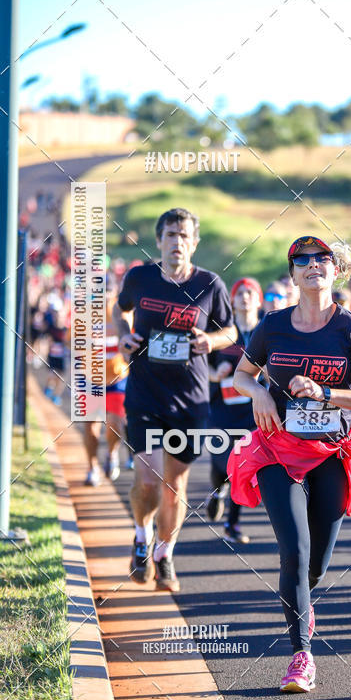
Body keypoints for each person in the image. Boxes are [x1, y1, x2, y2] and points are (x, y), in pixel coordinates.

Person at [228, 236, 351, 692]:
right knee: (293, 552)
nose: (312, 265)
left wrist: (326, 393)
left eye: (321, 259)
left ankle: (304, 600)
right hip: (278, 450)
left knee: (315, 563)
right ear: (293, 273)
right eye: (302, 260)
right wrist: (258, 391)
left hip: (332, 454)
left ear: (334, 270)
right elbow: (242, 373)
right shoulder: (273, 325)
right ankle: (301, 655)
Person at [113, 208, 236, 592]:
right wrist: (123, 335)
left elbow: (230, 331)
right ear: (159, 240)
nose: (177, 242)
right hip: (146, 394)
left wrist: (209, 341)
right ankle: (140, 534)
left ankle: (164, 555)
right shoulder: (141, 278)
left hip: (189, 401)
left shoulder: (210, 284)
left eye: (184, 236)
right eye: (170, 234)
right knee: (148, 480)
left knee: (174, 486)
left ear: (194, 242)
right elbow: (120, 311)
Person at [207, 276, 263, 542]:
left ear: (259, 299)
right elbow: (201, 364)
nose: (245, 297)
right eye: (240, 292)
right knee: (222, 463)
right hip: (222, 408)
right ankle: (218, 491)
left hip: (253, 411)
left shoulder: (266, 332)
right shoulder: (222, 332)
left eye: (250, 292)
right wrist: (215, 373)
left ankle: (232, 524)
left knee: (243, 464)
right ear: (232, 299)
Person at [84, 279, 128, 486]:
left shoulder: (124, 313)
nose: (105, 295)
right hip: (90, 378)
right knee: (90, 426)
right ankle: (92, 467)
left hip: (117, 378)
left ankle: (112, 453)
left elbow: (134, 339)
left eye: (109, 291)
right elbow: (70, 340)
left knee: (114, 422)